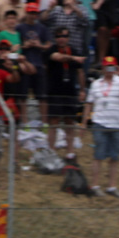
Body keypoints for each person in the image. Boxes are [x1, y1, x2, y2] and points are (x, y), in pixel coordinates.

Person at [84, 54, 119, 196]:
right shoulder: (95, 84)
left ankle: (112, 186)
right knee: (98, 155)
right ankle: (95, 185)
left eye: (112, 66)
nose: (110, 69)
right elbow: (88, 103)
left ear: (116, 67)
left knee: (115, 157)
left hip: (117, 124)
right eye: (107, 66)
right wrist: (84, 122)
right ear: (103, 67)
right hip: (100, 123)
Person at [45, 26, 86, 154]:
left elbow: (80, 72)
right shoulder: (51, 50)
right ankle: (51, 151)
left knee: (70, 121)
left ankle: (70, 152)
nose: (61, 39)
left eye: (64, 36)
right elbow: (58, 57)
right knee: (54, 122)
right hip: (55, 91)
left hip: (70, 91)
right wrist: (74, 58)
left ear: (68, 38)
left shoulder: (74, 50)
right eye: (58, 36)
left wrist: (82, 90)